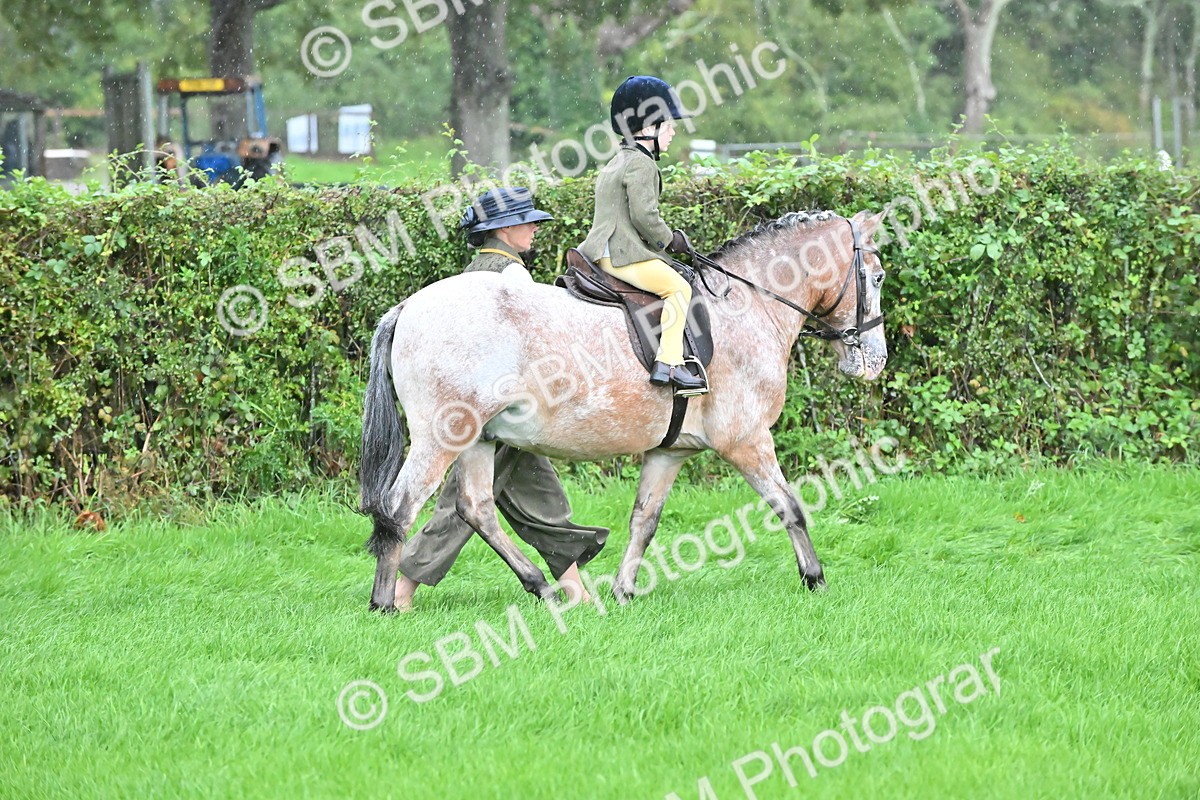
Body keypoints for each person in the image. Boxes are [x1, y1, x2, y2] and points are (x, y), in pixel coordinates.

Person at [394, 187, 610, 611]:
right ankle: (401, 589)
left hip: (503, 404)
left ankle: (573, 590)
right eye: (528, 221)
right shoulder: (511, 278)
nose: (534, 229)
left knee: (541, 493)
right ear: (506, 228)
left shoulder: (477, 270)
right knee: (464, 504)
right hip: (508, 403)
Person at [579, 75, 706, 392]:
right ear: (649, 128)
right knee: (679, 289)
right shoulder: (641, 164)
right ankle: (670, 362)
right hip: (622, 253)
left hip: (600, 251)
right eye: (668, 125)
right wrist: (668, 240)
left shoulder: (618, 160)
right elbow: (644, 215)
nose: (673, 131)